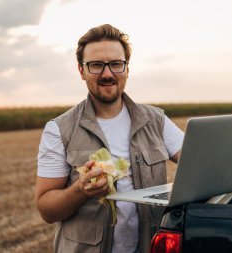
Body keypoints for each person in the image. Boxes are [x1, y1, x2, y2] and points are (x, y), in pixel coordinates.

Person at [35, 24, 184, 253]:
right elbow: (46, 209)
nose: (107, 74)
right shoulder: (59, 130)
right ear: (81, 70)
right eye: (96, 65)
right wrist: (81, 190)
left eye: (116, 64)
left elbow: (197, 162)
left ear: (127, 68)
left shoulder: (156, 120)